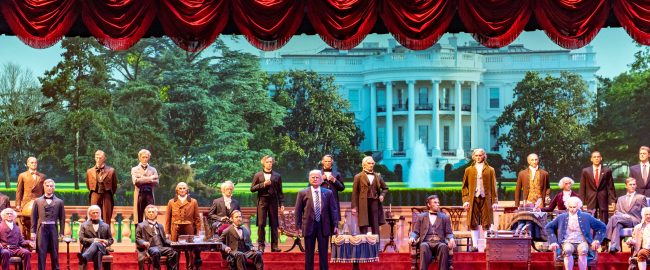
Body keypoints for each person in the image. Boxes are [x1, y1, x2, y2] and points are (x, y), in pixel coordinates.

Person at [545, 197, 606, 270]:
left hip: (582, 241)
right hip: (567, 241)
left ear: (578, 206)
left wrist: (597, 240)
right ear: (567, 206)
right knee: (567, 250)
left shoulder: (586, 216)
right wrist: (553, 241)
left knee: (583, 250)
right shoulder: (561, 217)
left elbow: (602, 227)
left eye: (574, 207)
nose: (572, 209)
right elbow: (548, 227)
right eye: (570, 207)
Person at [295, 170, 339, 270]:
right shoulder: (302, 193)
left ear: (321, 179)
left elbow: (333, 210)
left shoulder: (328, 193)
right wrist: (297, 226)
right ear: (309, 179)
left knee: (323, 253)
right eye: (313, 177)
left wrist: (335, 225)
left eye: (317, 177)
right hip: (309, 226)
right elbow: (298, 211)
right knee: (309, 254)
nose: (315, 179)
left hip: (324, 227)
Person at [461, 148, 498, 251]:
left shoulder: (490, 169)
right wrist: (466, 200)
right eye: (476, 155)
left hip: (486, 199)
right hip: (473, 199)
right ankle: (475, 245)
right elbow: (464, 187)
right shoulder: (469, 170)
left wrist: (494, 201)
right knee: (473, 222)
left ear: (484, 156)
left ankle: (487, 246)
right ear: (473, 157)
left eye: (480, 155)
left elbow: (494, 186)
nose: (478, 157)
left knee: (487, 222)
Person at [408, 195, 455, 270]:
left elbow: (449, 233)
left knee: (443, 246)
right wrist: (412, 237)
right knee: (423, 245)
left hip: (439, 242)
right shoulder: (421, 217)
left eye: (438, 202)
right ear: (429, 204)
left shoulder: (444, 217)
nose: (438, 204)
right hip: (426, 242)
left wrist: (451, 239)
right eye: (435, 202)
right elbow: (415, 232)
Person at [250, 155, 284, 252]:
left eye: (271, 162)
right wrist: (263, 184)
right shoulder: (258, 175)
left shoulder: (277, 176)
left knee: (274, 223)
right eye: (267, 162)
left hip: (273, 201)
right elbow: (252, 188)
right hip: (262, 201)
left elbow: (280, 191)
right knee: (261, 224)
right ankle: (261, 245)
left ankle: (274, 246)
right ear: (263, 163)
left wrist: (281, 203)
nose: (269, 163)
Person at [165, 182, 201, 270]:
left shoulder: (193, 202)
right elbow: (168, 218)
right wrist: (167, 232)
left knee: (189, 251)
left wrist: (198, 232)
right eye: (180, 188)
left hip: (188, 228)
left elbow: (197, 218)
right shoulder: (171, 202)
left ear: (187, 190)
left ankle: (190, 268)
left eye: (184, 188)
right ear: (177, 190)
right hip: (175, 228)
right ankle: (175, 268)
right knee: (174, 251)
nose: (182, 190)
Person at [605, 177, 647, 253]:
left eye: (634, 184)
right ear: (626, 186)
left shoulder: (641, 198)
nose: (632, 186)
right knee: (617, 225)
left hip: (635, 221)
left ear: (636, 186)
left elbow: (645, 211)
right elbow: (617, 211)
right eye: (630, 184)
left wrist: (643, 224)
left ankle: (605, 238)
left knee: (614, 218)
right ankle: (615, 247)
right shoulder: (620, 199)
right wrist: (624, 216)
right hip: (621, 220)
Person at [31, 179, 65, 270]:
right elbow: (33, 217)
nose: (49, 188)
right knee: (42, 252)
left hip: (53, 228)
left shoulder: (59, 202)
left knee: (54, 252)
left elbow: (62, 218)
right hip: (42, 229)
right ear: (44, 187)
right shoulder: (37, 201)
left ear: (54, 187)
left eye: (51, 186)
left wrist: (61, 232)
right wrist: (32, 232)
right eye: (48, 186)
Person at [352, 156, 389, 235]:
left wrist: (382, 195)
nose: (371, 165)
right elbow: (355, 193)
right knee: (363, 223)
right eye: (369, 163)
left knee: (375, 223)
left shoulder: (377, 176)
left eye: (372, 163)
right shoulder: (358, 177)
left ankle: (376, 246)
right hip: (363, 203)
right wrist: (354, 207)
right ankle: (363, 245)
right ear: (364, 165)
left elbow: (385, 188)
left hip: (375, 202)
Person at [136, 205, 178, 270]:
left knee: (173, 252)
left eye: (153, 212)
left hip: (161, 247)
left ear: (156, 214)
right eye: (149, 212)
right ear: (146, 214)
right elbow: (138, 238)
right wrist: (144, 242)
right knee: (156, 252)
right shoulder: (141, 225)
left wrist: (173, 243)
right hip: (150, 248)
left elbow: (165, 239)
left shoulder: (160, 226)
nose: (151, 213)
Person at [579, 151, 616, 223]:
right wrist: (581, 202)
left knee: (604, 219)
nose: (596, 158)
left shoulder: (607, 170)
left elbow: (610, 187)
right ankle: (592, 233)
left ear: (601, 158)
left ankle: (604, 233)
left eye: (598, 157)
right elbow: (582, 187)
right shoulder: (586, 171)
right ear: (591, 159)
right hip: (591, 198)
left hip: (603, 198)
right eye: (594, 157)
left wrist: (613, 200)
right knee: (591, 218)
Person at [16, 156, 45, 239]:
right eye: (32, 162)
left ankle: (39, 243)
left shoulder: (42, 176)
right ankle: (27, 242)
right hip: (26, 203)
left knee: (39, 222)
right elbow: (19, 191)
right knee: (27, 223)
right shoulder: (22, 175)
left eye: (35, 162)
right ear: (27, 164)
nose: (34, 164)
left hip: (39, 203)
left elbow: (43, 192)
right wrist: (18, 204)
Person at [86, 150, 118, 223]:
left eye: (100, 158)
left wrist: (108, 193)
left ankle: (106, 233)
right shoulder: (89, 171)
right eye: (96, 157)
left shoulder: (111, 170)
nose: (98, 159)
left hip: (107, 195)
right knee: (94, 215)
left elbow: (114, 186)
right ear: (94, 158)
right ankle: (94, 234)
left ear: (104, 158)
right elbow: (88, 185)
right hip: (95, 194)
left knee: (107, 217)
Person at [78, 205, 113, 270]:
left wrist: (106, 242)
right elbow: (81, 239)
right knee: (98, 253)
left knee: (96, 244)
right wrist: (94, 240)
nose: (96, 214)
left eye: (97, 212)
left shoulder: (106, 226)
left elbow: (111, 240)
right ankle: (85, 258)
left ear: (100, 213)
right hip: (88, 248)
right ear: (89, 214)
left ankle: (84, 257)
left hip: (102, 248)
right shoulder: (84, 225)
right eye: (93, 213)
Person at [132, 149, 159, 224]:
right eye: (143, 157)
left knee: (150, 213)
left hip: (150, 194)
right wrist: (150, 178)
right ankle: (139, 233)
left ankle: (149, 231)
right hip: (139, 194)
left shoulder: (153, 169)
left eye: (146, 157)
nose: (145, 159)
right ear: (139, 157)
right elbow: (136, 181)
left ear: (149, 158)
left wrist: (141, 178)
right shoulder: (134, 169)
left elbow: (156, 182)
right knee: (139, 215)